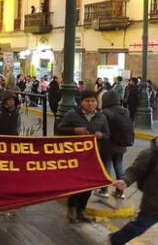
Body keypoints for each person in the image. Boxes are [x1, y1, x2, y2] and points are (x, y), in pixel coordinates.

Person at [57, 90, 109, 223]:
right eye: (87, 101)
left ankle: (81, 210)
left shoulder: (101, 117)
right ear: (81, 102)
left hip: (93, 157)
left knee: (89, 185)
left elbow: (107, 134)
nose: (91, 104)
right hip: (76, 157)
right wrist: (74, 131)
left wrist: (101, 135)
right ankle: (72, 209)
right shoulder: (72, 114)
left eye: (93, 101)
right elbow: (60, 129)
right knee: (77, 184)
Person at [100, 91, 133, 200]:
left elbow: (103, 128)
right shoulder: (125, 111)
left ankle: (104, 190)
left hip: (108, 144)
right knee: (119, 166)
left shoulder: (105, 112)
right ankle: (120, 192)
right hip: (121, 144)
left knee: (106, 166)